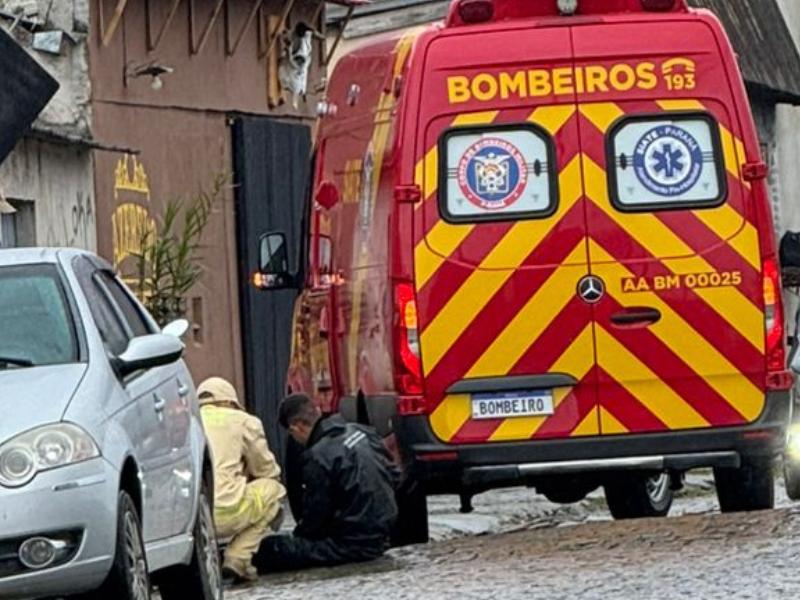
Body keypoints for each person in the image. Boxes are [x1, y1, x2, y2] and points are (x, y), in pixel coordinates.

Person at [254, 394, 398, 572]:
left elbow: (316, 514)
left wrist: (299, 540)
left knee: (271, 548)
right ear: (318, 411)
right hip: (383, 534)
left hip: (353, 544)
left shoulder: (318, 456)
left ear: (296, 428)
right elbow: (394, 475)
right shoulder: (362, 431)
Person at [197, 377, 286, 583]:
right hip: (228, 510)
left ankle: (236, 566)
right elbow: (265, 469)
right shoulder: (242, 421)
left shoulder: (188, 420)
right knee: (274, 490)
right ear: (230, 401)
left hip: (195, 518)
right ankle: (238, 557)